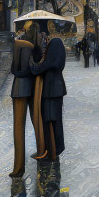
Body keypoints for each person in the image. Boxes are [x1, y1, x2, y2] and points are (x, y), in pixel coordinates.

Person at [29, 25, 66, 163]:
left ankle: (53, 150)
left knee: (50, 121)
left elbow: (39, 68)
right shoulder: (56, 61)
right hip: (54, 91)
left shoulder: (52, 61)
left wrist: (32, 64)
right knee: (53, 121)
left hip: (52, 92)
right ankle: (53, 149)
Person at [9, 26, 42, 178]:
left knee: (18, 128)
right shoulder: (37, 45)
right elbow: (38, 66)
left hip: (19, 88)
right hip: (33, 87)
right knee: (37, 123)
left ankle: (18, 167)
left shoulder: (18, 44)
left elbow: (14, 69)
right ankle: (42, 153)